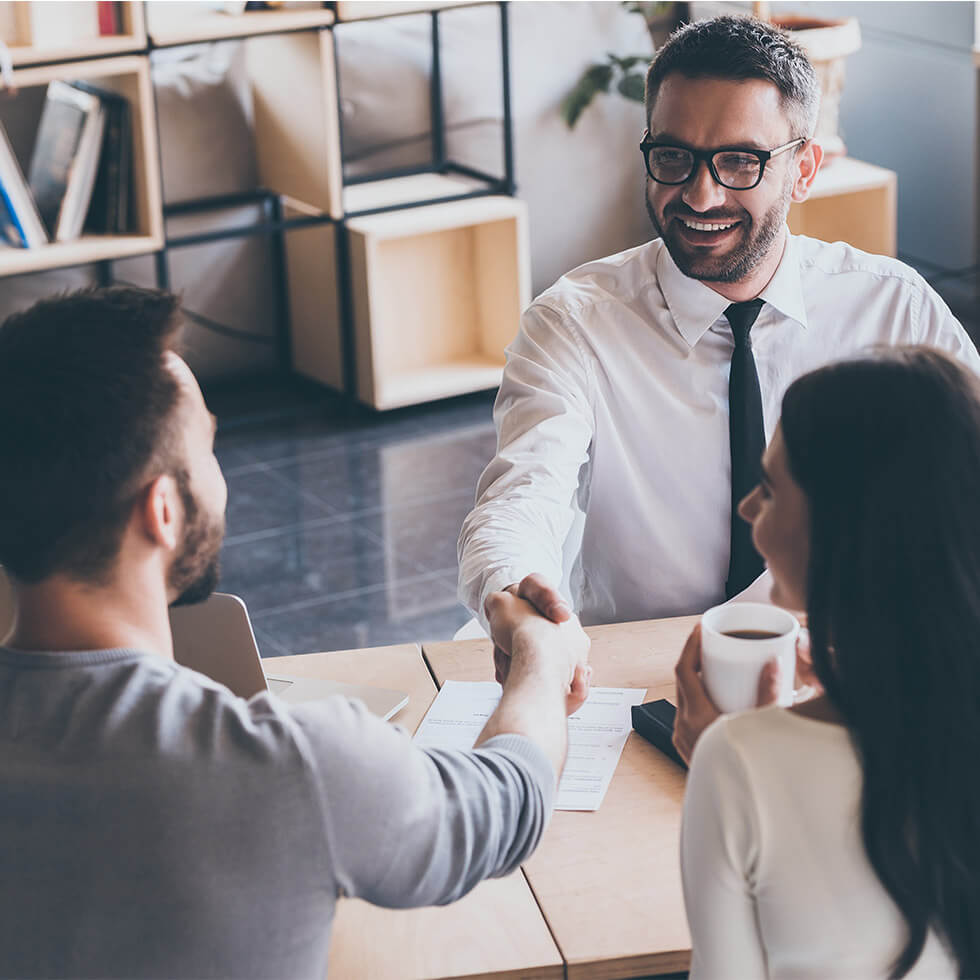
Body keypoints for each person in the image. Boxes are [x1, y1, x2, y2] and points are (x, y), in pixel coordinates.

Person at [0, 286, 590, 980]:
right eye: (209, 451)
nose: (220, 480)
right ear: (163, 510)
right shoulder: (288, 767)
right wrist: (541, 662)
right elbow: (506, 803)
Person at [458, 15, 980, 636]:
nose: (700, 196)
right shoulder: (573, 323)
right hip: (641, 669)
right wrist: (514, 587)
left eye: (739, 162)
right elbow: (522, 494)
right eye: (674, 157)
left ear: (805, 170)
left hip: (849, 659)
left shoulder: (895, 308)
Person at [677, 346, 979, 978]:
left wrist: (730, 754)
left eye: (767, 489)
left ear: (842, 532)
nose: (746, 509)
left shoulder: (737, 762)